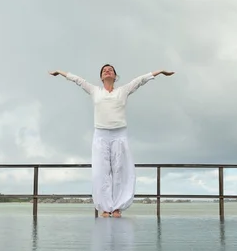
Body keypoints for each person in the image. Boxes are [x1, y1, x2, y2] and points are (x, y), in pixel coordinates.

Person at [49, 64, 174, 218]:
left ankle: (117, 207)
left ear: (115, 76)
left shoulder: (123, 90)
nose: (107, 71)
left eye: (110, 70)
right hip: (101, 135)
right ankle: (105, 207)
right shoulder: (95, 91)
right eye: (104, 70)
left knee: (120, 170)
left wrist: (160, 71)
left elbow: (140, 80)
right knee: (101, 172)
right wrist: (59, 72)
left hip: (119, 134)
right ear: (101, 77)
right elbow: (77, 80)